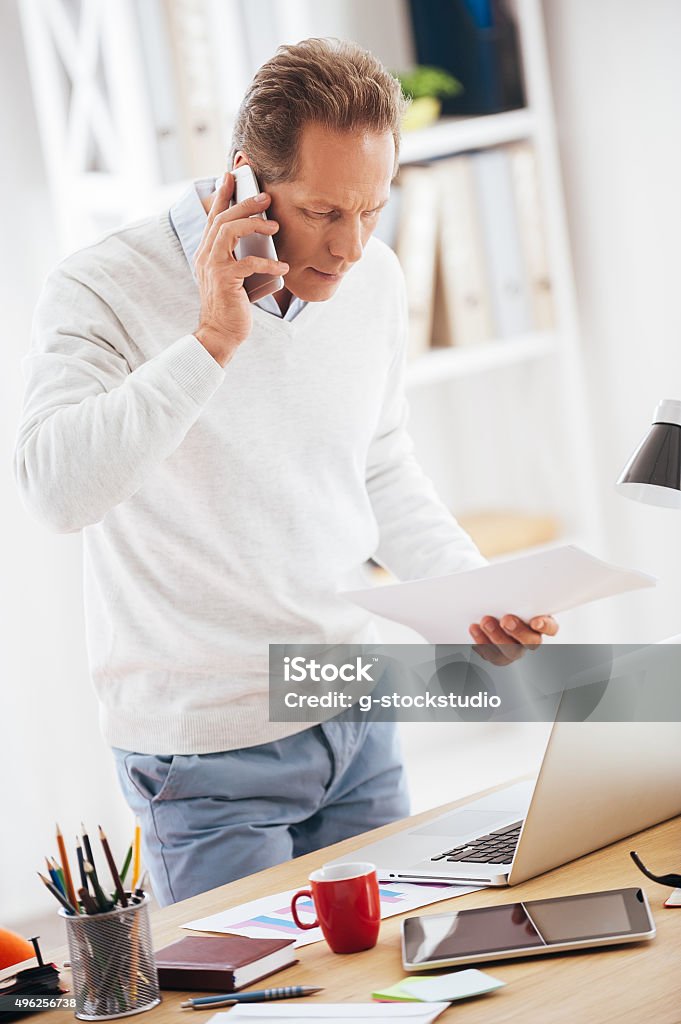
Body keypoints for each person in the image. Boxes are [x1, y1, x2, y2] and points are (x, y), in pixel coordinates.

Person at [15, 38, 557, 906]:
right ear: (245, 182)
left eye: (371, 211)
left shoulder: (371, 277)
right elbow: (56, 492)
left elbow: (376, 462)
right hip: (204, 749)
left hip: (353, 707)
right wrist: (212, 340)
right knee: (259, 1002)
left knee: (391, 981)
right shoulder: (101, 288)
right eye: (321, 212)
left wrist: (466, 594)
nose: (348, 248)